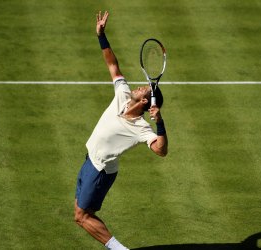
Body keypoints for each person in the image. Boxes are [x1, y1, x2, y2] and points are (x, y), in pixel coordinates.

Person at [73, 11, 168, 250]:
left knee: (81, 217)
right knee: (81, 210)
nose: (139, 87)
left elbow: (161, 150)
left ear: (146, 102)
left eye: (144, 89)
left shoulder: (141, 128)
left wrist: (159, 123)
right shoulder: (123, 93)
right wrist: (101, 36)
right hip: (90, 160)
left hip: (101, 169)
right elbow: (112, 65)